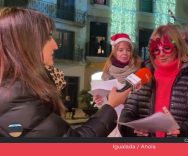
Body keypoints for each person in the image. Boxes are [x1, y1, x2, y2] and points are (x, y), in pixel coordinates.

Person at [0, 7, 131, 137]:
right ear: (28, 43)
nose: (56, 45)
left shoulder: (18, 89)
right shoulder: (18, 97)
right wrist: (110, 106)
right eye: (48, 37)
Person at [118, 24, 188, 137]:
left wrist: (185, 130)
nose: (161, 54)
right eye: (156, 49)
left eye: (167, 48)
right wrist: (132, 130)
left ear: (177, 47)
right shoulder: (142, 74)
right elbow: (128, 111)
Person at [93, 33, 141, 137]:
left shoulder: (138, 71)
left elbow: (143, 99)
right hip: (111, 121)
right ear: (114, 52)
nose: (125, 53)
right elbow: (104, 103)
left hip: (131, 122)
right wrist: (99, 100)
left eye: (128, 50)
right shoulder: (107, 73)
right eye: (121, 50)